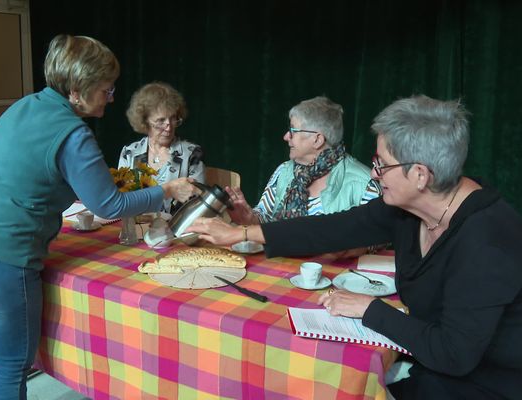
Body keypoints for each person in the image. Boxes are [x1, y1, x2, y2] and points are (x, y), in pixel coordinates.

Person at [187, 95, 522, 399]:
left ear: (420, 175)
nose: (374, 175)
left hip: (484, 384)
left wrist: (369, 309)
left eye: (382, 164)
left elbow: (454, 355)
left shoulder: (487, 240)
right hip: (431, 368)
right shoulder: (405, 210)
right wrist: (243, 233)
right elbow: (332, 228)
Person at [0, 34, 194, 400]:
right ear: (77, 89)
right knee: (11, 364)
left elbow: (27, 172)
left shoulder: (23, 107)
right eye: (106, 88)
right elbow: (111, 207)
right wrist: (165, 191)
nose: (111, 96)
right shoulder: (73, 134)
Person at [227, 96, 380, 257]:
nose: (286, 136)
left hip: (334, 276)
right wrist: (250, 218)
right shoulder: (284, 171)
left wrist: (347, 248)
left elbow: (376, 238)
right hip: (282, 266)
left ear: (317, 139)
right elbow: (267, 218)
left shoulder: (363, 183)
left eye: (293, 130)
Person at [119, 81, 205, 213]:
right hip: (138, 227)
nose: (169, 127)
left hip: (177, 230)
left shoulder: (192, 154)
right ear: (145, 121)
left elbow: (198, 205)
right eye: (161, 121)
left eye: (173, 119)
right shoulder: (130, 153)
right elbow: (122, 200)